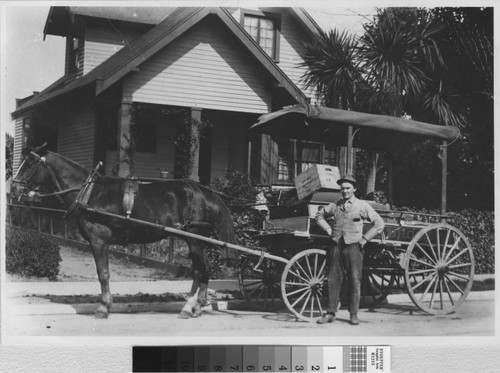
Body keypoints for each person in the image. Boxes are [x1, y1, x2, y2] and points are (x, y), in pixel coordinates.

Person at [316, 173, 384, 325]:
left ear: (354, 189)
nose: (345, 191)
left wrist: (364, 240)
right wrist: (328, 229)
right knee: (333, 280)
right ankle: (330, 312)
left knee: (355, 280)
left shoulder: (362, 206)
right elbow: (319, 215)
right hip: (336, 246)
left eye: (348, 188)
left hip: (354, 247)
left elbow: (379, 223)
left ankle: (353, 314)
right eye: (342, 189)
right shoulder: (335, 205)